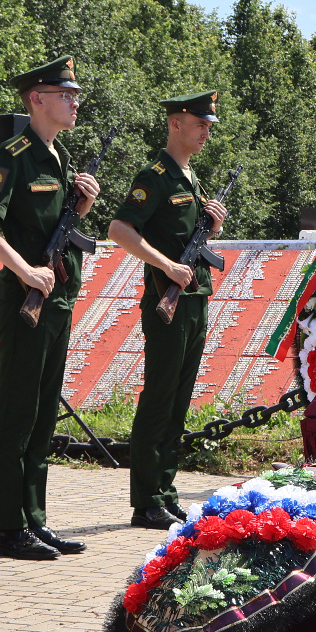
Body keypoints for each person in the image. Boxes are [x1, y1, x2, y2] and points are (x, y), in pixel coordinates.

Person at [0, 55, 100, 561]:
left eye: (75, 94)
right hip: (27, 297)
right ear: (36, 99)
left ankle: (34, 519)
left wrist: (79, 209)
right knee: (18, 411)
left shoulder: (56, 156)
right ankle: (8, 527)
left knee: (42, 413)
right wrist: (22, 271)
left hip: (57, 297)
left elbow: (44, 227)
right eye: (65, 94)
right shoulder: (15, 154)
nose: (75, 101)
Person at [107, 90, 228, 531]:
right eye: (200, 124)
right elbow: (120, 229)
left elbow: (185, 240)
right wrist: (166, 265)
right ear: (175, 122)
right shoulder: (155, 175)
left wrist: (211, 224)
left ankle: (165, 492)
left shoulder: (190, 176)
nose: (206, 132)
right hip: (167, 303)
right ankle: (146, 501)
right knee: (159, 398)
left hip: (195, 300)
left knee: (178, 401)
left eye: (209, 125)